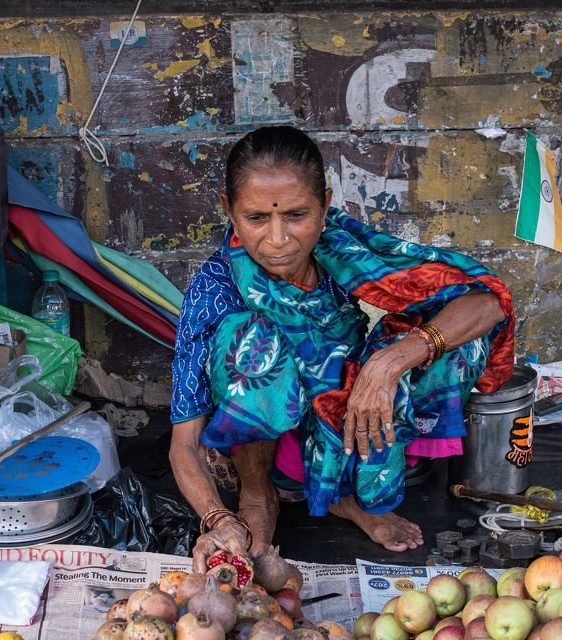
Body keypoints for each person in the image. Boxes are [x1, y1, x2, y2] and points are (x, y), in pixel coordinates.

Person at [169, 126, 514, 572]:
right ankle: (260, 498)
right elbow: (184, 444)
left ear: (325, 205)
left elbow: (487, 303)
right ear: (229, 211)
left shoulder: (348, 252)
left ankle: (347, 494)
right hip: (258, 448)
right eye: (257, 218)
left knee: (450, 334)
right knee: (255, 338)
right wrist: (218, 518)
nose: (278, 239)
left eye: (296, 215)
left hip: (350, 423)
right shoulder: (215, 287)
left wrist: (389, 363)